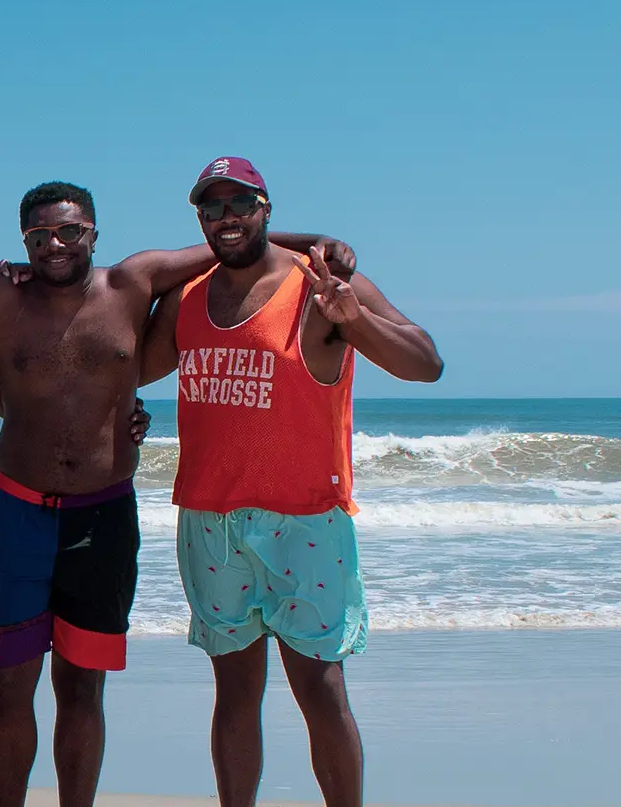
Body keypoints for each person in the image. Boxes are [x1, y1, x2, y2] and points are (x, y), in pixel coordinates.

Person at [0, 180, 350, 807]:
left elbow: (224, 245)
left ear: (94, 232)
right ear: (23, 242)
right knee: (8, 681)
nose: (55, 245)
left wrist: (312, 244)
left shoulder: (133, 283)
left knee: (83, 688)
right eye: (39, 236)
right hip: (19, 511)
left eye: (70, 232)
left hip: (103, 514)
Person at [139, 157, 443, 807]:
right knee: (235, 693)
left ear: (266, 207)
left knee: (321, 690)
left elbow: (426, 364)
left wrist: (354, 319)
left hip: (304, 518)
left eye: (240, 203)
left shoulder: (318, 284)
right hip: (210, 522)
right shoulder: (188, 298)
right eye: (211, 206)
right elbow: (121, 364)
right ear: (199, 217)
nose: (226, 218)